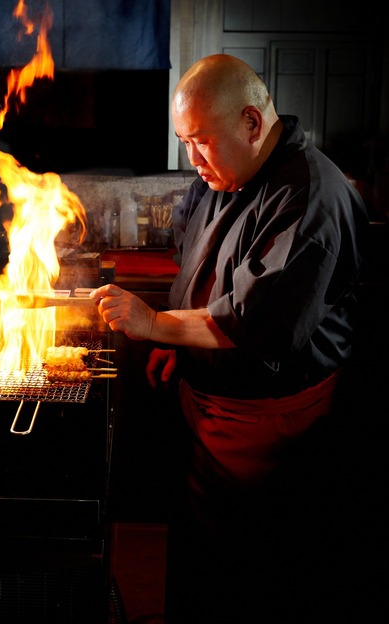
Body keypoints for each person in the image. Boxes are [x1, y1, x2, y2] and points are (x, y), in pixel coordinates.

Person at [90, 54, 372, 623]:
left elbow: (257, 320)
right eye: (183, 142)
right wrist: (178, 342)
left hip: (269, 427)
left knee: (250, 572)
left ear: (251, 122)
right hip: (208, 410)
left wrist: (153, 325)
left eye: (202, 141)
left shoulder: (310, 192)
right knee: (199, 558)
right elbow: (196, 265)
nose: (192, 160)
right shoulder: (223, 174)